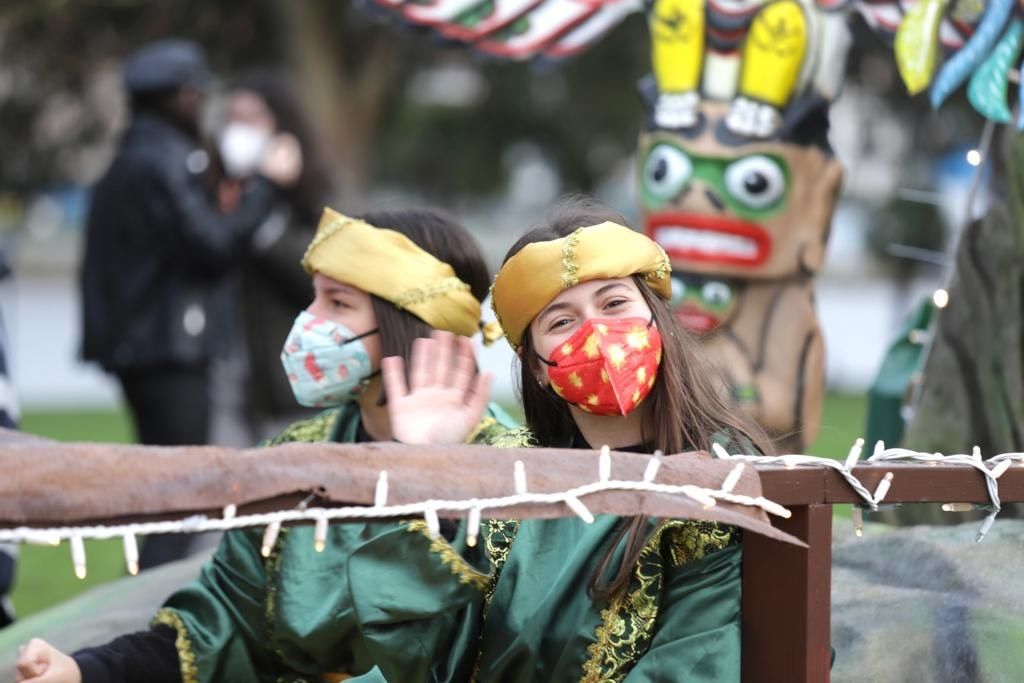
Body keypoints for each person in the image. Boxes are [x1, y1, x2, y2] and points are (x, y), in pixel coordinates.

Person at [17, 206, 517, 683]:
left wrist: (422, 471)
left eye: (338, 303)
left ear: (410, 324)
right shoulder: (294, 455)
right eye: (315, 298)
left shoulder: (515, 474)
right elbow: (224, 625)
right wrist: (85, 671)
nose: (309, 322)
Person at [79, 40, 300, 569]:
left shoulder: (130, 157)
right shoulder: (166, 160)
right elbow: (213, 246)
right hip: (168, 351)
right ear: (181, 97)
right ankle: (150, 620)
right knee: (184, 499)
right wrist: (265, 186)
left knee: (169, 493)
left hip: (140, 349)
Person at [210, 71, 336, 446]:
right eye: (232, 118)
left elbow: (319, 276)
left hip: (290, 384)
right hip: (225, 376)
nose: (238, 130)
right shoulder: (214, 196)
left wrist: (263, 221)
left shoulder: (312, 201)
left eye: (251, 118)